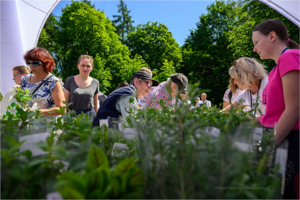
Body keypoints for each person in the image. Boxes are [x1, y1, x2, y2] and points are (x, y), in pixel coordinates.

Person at [252, 19, 299, 199]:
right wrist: (253, 120)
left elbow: (294, 108)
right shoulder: (274, 69)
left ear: (272, 36)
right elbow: (277, 112)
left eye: (256, 42)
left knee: (275, 191)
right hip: (278, 136)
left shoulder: (290, 57)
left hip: (289, 140)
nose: (254, 49)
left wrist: (269, 145)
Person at [92, 70, 159, 128]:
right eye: (148, 83)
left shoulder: (128, 92)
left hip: (104, 134)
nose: (150, 87)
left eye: (151, 85)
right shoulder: (128, 96)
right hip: (102, 137)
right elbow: (131, 123)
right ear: (136, 82)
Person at [21, 47, 65, 116]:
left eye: (35, 63)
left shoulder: (53, 82)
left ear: (45, 63)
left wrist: (36, 112)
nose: (31, 66)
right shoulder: (25, 79)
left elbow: (62, 110)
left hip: (46, 125)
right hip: (26, 124)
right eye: (28, 63)